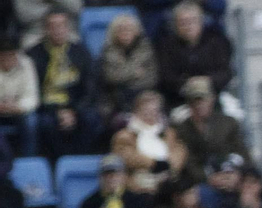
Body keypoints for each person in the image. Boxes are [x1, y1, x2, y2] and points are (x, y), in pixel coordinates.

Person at [29, 8, 95, 159]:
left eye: (61, 25)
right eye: (53, 26)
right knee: (45, 124)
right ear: (45, 29)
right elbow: (33, 90)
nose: (58, 30)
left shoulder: (81, 52)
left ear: (68, 28)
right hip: (46, 107)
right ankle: (56, 164)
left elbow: (90, 88)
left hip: (75, 105)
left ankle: (82, 161)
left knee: (91, 119)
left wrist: (73, 111)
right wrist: (56, 111)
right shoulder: (33, 54)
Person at [173, 75, 251, 184]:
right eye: (194, 100)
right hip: (200, 181)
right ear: (189, 103)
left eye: (203, 99)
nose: (199, 105)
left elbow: (243, 153)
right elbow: (188, 161)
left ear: (212, 99)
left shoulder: (228, 123)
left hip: (231, 174)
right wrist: (209, 179)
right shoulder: (182, 129)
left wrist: (237, 174)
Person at [155, 0, 233, 103]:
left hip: (215, 96)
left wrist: (207, 81)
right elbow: (165, 75)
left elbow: (225, 72)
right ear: (175, 25)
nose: (188, 26)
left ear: (201, 21)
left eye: (192, 21)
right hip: (178, 99)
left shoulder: (217, 42)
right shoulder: (167, 45)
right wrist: (188, 83)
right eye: (183, 22)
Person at [97, 13, 159, 118]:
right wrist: (134, 73)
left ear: (137, 31)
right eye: (121, 29)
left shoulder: (147, 49)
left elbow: (152, 78)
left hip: (143, 97)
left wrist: (123, 76)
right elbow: (110, 77)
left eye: (129, 29)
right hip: (115, 99)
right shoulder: (107, 51)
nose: (125, 33)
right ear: (114, 33)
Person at [12, 0, 80, 50]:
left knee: (76, 45)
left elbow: (76, 7)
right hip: (36, 32)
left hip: (64, 30)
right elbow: (23, 15)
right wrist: (50, 10)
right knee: (27, 44)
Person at [0, 37, 40, 157]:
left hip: (19, 110)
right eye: (4, 57)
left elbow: (33, 97)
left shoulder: (27, 64)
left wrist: (17, 107)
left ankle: (28, 159)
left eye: (11, 56)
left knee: (31, 121)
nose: (8, 60)